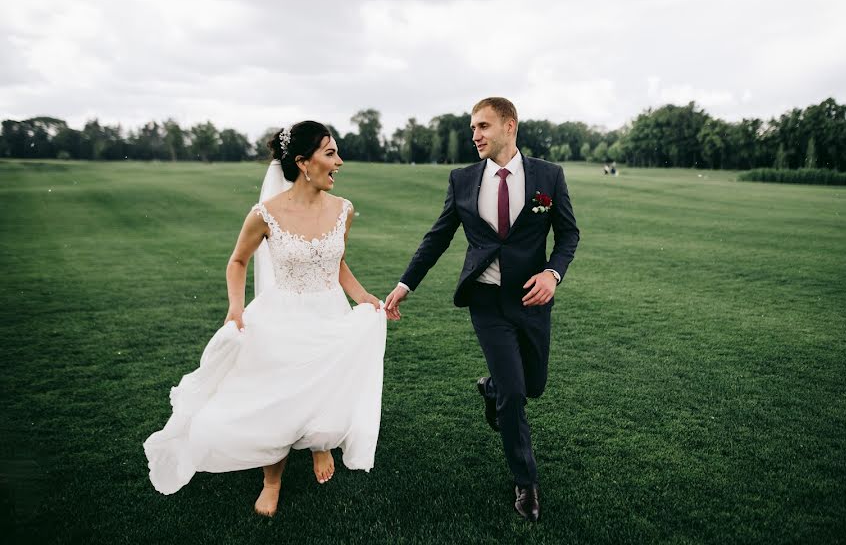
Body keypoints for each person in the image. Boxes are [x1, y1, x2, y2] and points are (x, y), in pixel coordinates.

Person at [144, 121, 394, 517]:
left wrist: (364, 298)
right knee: (277, 401)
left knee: (321, 389)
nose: (339, 162)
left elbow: (336, 263)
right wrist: (235, 309)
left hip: (328, 310)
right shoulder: (266, 214)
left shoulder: (343, 210)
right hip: (282, 315)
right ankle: (272, 481)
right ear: (302, 162)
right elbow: (237, 260)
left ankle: (319, 444)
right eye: (330, 154)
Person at [384, 98, 579, 522]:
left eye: (483, 126)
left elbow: (568, 235)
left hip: (532, 300)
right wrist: (404, 284)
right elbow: (437, 238)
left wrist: (553, 275)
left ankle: (491, 388)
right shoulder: (462, 180)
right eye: (473, 127)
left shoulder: (549, 176)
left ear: (510, 126)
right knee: (514, 394)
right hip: (487, 302)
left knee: (533, 385)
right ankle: (525, 482)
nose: (475, 135)